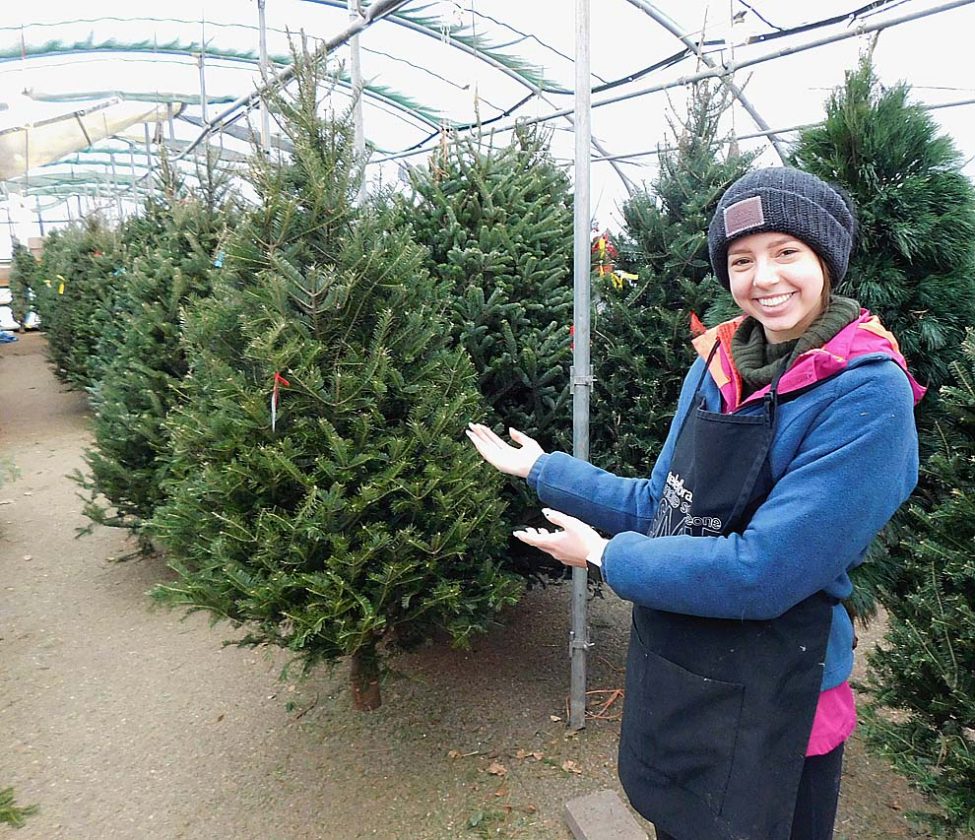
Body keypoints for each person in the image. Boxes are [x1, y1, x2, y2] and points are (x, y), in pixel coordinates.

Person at [466, 166, 925, 840]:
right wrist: (542, 469)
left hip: (780, 696)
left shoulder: (866, 393)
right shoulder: (717, 363)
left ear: (825, 259)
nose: (763, 278)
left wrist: (603, 555)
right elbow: (664, 504)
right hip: (682, 666)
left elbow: (765, 571)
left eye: (785, 252)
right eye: (741, 260)